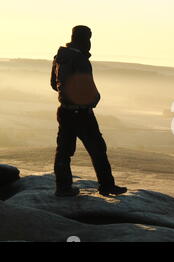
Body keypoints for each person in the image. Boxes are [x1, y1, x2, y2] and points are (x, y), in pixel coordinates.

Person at [50, 25, 127, 197]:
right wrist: (95, 99)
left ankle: (63, 188)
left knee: (64, 151)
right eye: (89, 38)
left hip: (64, 111)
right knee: (98, 149)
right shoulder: (80, 60)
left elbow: (54, 85)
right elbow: (89, 89)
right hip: (82, 113)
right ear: (85, 39)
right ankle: (107, 186)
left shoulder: (59, 58)